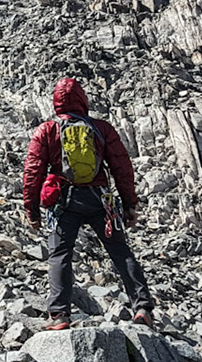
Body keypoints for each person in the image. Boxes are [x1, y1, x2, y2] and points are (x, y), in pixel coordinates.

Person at [21, 77, 156, 328]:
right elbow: (122, 168)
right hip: (100, 200)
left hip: (64, 202)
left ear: (56, 102)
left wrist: (32, 210)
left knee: (60, 255)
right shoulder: (101, 129)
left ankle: (59, 315)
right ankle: (142, 308)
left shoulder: (47, 130)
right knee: (120, 251)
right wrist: (129, 205)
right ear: (83, 100)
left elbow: (32, 172)